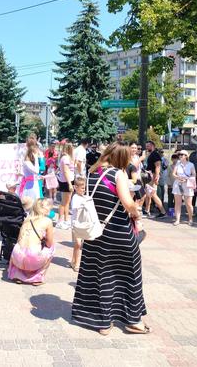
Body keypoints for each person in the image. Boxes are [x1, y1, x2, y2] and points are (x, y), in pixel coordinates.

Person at [71, 142, 148, 335]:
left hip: (95, 233)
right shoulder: (118, 174)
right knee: (130, 274)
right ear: (120, 158)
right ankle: (132, 320)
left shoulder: (92, 173)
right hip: (118, 233)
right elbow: (128, 205)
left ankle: (103, 322)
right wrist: (137, 211)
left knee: (100, 275)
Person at [7, 198, 55, 285]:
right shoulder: (48, 221)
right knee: (52, 248)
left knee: (20, 248)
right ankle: (37, 277)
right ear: (43, 208)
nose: (50, 208)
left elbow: (19, 239)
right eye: (48, 206)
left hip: (17, 256)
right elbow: (49, 243)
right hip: (32, 258)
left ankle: (18, 275)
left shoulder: (27, 219)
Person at [172, 150, 196, 226]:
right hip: (178, 184)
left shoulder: (191, 164)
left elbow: (194, 174)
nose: (180, 156)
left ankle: (190, 219)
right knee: (177, 203)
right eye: (180, 154)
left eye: (182, 154)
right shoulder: (178, 164)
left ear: (186, 156)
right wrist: (178, 177)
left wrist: (187, 179)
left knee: (188, 204)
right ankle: (177, 219)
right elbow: (173, 174)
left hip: (187, 184)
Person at [69, 176, 87, 272]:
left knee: (78, 245)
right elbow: (76, 208)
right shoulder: (75, 197)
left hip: (82, 224)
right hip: (76, 224)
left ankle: (73, 261)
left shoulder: (83, 197)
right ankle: (76, 263)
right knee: (78, 244)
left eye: (84, 188)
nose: (84, 190)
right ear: (76, 188)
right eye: (82, 188)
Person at [56, 142, 75, 230]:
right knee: (64, 202)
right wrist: (70, 184)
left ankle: (66, 220)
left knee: (67, 202)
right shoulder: (66, 158)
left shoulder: (65, 157)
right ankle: (60, 221)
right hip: (66, 181)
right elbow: (66, 172)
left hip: (67, 180)